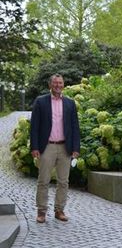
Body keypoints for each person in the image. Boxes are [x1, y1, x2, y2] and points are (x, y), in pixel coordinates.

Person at [30, 74, 80, 223]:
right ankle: (41, 212)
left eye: (60, 83)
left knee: (63, 182)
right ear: (50, 85)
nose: (58, 85)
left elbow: (75, 128)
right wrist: (35, 147)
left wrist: (76, 148)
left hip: (65, 147)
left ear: (63, 85)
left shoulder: (70, 103)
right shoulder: (40, 102)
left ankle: (59, 210)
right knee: (43, 180)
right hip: (47, 147)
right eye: (55, 83)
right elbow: (34, 127)